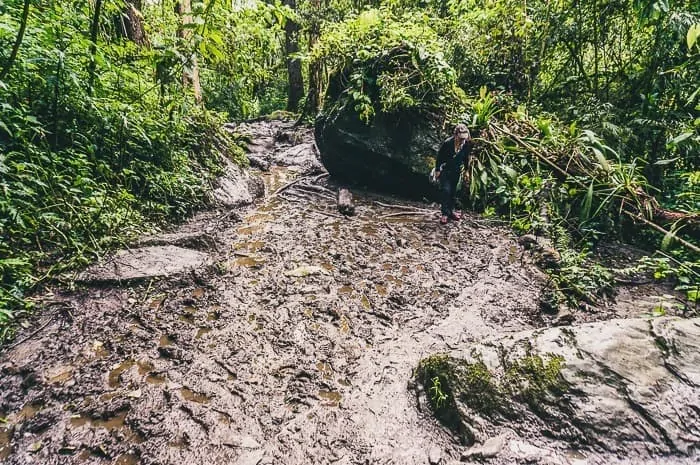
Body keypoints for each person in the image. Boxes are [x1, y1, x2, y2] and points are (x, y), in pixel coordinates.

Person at [435, 123, 473, 224]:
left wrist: (466, 170)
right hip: (445, 170)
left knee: (452, 192)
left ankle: (450, 212)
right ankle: (444, 213)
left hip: (456, 171)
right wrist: (437, 170)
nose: (462, 140)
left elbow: (466, 158)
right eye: (461, 138)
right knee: (446, 191)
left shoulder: (466, 144)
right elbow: (439, 157)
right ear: (455, 135)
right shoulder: (448, 143)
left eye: (464, 138)